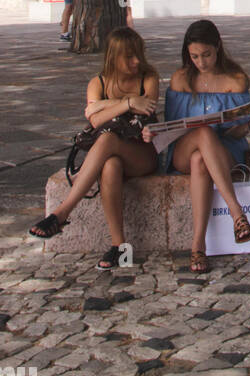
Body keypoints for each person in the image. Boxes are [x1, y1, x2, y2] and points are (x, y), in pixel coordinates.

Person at [28, 28, 159, 268]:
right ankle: (119, 246)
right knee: (109, 165)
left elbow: (144, 109)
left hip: (142, 154)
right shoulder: (97, 83)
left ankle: (63, 212)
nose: (136, 61)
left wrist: (102, 106)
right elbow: (95, 120)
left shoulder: (148, 78)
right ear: (113, 56)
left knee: (108, 139)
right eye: (129, 56)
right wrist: (128, 102)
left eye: (138, 54)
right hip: (112, 156)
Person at [151, 19, 250, 273]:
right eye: (194, 56)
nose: (201, 62)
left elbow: (235, 133)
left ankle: (198, 247)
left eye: (206, 55)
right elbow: (173, 128)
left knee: (200, 161)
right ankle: (237, 213)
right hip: (184, 147)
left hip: (223, 150)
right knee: (201, 133)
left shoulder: (235, 80)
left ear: (218, 48)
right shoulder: (181, 79)